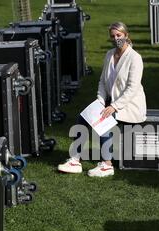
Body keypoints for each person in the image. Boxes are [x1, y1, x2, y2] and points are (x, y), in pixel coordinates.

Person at [58, 22, 147, 177]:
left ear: (126, 35)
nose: (116, 38)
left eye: (119, 35)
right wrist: (100, 100)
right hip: (109, 103)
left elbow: (132, 88)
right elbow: (102, 82)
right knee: (82, 117)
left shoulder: (135, 58)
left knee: (104, 119)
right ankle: (75, 160)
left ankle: (107, 165)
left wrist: (114, 106)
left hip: (129, 106)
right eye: (113, 36)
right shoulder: (109, 55)